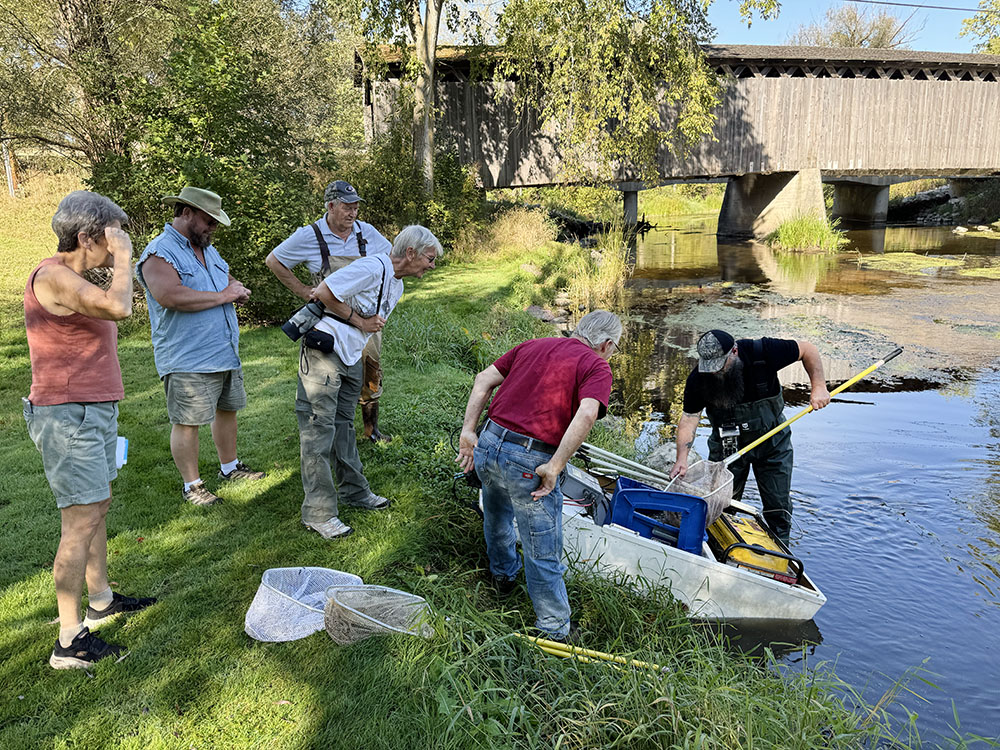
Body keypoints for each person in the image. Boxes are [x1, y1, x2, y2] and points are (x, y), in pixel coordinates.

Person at [23, 191, 156, 669]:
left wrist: (117, 253)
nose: (117, 246)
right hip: (68, 415)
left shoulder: (73, 277)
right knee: (78, 522)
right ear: (86, 237)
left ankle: (100, 600)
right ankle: (68, 640)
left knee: (97, 504)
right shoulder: (55, 276)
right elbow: (120, 308)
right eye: (111, 238)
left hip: (92, 410)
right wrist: (125, 259)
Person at [455, 310, 622, 643]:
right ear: (606, 344)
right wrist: (556, 465)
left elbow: (482, 380)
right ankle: (554, 628)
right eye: (615, 348)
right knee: (542, 547)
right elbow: (588, 413)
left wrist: (468, 432)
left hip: (489, 445)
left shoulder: (533, 344)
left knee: (497, 515)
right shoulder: (596, 365)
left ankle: (503, 576)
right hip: (528, 458)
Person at [297, 224, 442, 539]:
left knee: (343, 427)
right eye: (429, 259)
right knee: (317, 430)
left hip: (351, 357)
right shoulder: (371, 267)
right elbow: (323, 293)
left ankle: (355, 491)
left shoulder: (398, 284)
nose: (432, 266)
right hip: (325, 351)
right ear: (410, 253)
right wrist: (360, 321)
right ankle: (319, 513)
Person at [136, 187, 264, 506]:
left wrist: (236, 287)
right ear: (187, 213)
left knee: (227, 409)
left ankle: (230, 467)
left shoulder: (207, 249)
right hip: (187, 356)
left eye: (216, 223)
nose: (213, 228)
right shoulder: (159, 252)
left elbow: (227, 279)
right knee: (188, 421)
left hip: (223, 350)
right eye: (209, 220)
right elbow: (170, 296)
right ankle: (192, 486)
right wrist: (224, 296)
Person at [669, 330, 831, 545]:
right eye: (710, 367)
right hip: (727, 446)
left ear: (734, 351)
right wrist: (682, 459)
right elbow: (689, 419)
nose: (714, 371)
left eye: (720, 365)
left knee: (778, 505)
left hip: (772, 442)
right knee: (722, 504)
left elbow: (807, 349)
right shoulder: (699, 378)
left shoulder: (762, 352)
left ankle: (780, 556)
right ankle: (719, 549)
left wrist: (819, 386)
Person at [266, 180, 395, 442]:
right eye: (347, 207)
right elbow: (274, 260)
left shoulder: (366, 233)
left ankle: (371, 430)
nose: (353, 213)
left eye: (356, 207)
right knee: (330, 376)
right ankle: (332, 429)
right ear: (331, 206)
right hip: (330, 321)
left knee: (371, 370)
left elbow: (393, 260)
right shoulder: (310, 235)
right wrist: (304, 291)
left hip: (366, 321)